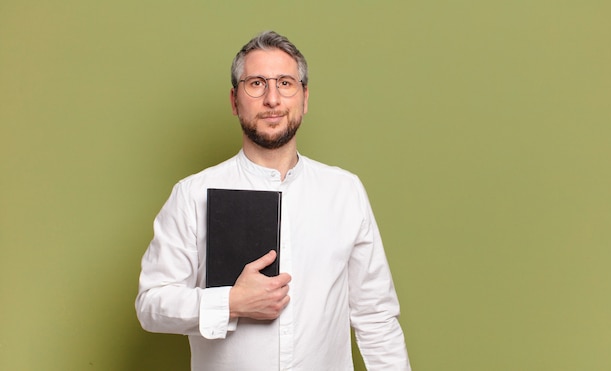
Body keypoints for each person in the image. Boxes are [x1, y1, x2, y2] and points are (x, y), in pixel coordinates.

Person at [135, 30, 411, 370]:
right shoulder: (193, 194)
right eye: (256, 84)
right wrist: (230, 302)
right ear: (235, 101)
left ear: (304, 98)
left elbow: (376, 316)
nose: (272, 99)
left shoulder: (344, 191)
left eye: (285, 83)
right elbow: (151, 305)